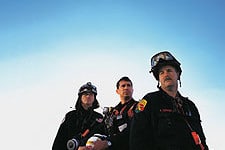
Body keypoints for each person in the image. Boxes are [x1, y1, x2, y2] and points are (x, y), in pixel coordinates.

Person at [130, 51, 208, 150]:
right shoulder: (149, 101)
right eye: (161, 73)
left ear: (178, 74)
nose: (165, 74)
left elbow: (202, 140)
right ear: (158, 78)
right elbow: (137, 139)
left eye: (169, 70)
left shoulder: (190, 106)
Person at [52, 82, 105, 150]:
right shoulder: (70, 116)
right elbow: (59, 143)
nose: (88, 96)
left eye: (91, 94)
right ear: (80, 97)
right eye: (85, 94)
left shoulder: (99, 118)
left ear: (94, 98)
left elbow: (104, 140)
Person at [93, 76, 138, 150]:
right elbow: (100, 128)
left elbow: (134, 130)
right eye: (123, 86)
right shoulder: (112, 112)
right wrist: (82, 142)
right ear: (117, 91)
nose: (126, 88)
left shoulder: (138, 107)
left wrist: (108, 142)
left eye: (128, 85)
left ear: (132, 90)